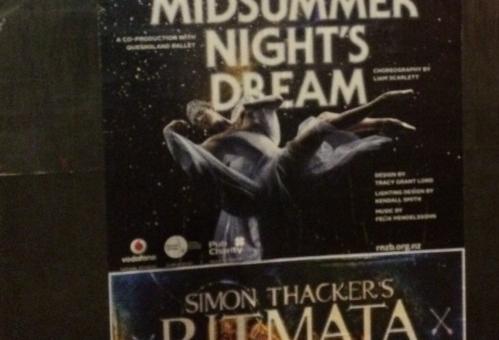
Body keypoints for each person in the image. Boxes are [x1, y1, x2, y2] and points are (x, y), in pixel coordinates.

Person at [163, 90, 415, 261]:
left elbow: (277, 99)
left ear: (210, 107)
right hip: (267, 182)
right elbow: (195, 162)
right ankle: (382, 103)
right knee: (318, 127)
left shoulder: (244, 114)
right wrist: (171, 135)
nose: (200, 121)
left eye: (200, 114)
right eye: (196, 121)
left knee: (322, 121)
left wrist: (251, 105)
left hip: (282, 164)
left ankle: (381, 122)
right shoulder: (214, 142)